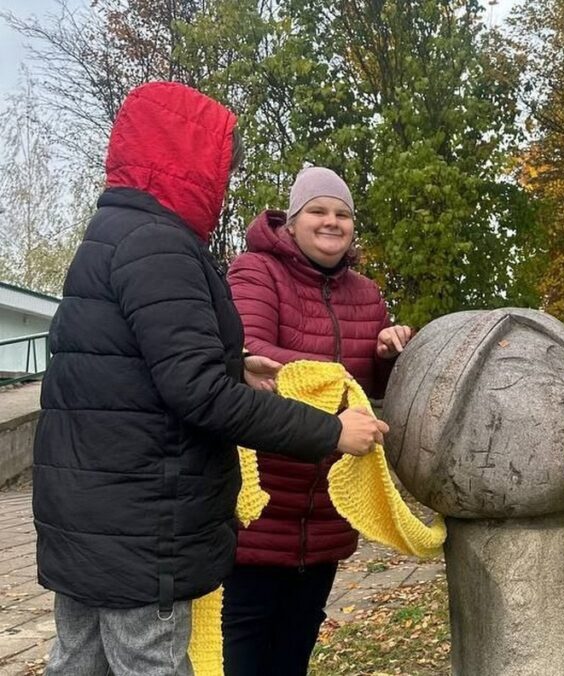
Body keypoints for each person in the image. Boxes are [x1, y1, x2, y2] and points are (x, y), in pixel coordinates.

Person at [32, 82, 388, 676]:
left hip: (91, 517)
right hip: (144, 524)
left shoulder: (112, 234)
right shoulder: (159, 245)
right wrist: (329, 431)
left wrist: (230, 363)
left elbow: (132, 368)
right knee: (152, 663)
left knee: (79, 662)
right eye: (222, 162)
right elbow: (197, 394)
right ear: (190, 162)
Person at [222, 166, 412, 675]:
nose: (332, 222)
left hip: (327, 507)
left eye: (343, 214)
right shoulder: (255, 272)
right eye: (319, 211)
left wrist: (388, 353)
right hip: (261, 507)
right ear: (293, 220)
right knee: (243, 645)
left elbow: (371, 391)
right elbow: (251, 356)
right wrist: (338, 395)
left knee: (295, 647)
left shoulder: (367, 294)